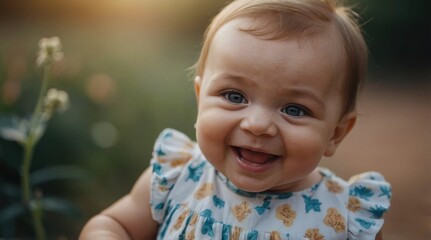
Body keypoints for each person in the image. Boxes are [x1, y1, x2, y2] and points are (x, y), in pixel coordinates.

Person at [79, 0, 392, 239]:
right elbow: (113, 224)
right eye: (234, 96)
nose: (256, 124)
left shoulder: (346, 216)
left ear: (336, 133)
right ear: (200, 98)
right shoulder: (178, 177)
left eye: (294, 109)